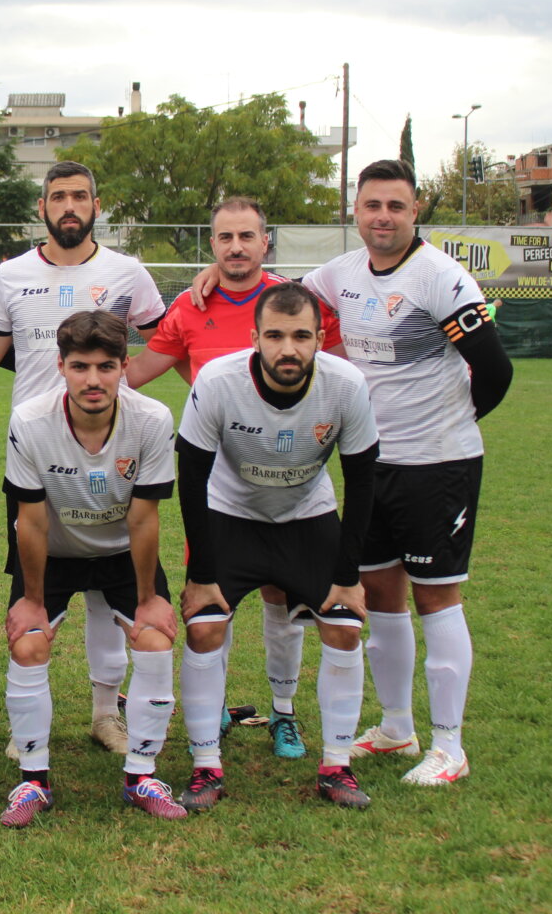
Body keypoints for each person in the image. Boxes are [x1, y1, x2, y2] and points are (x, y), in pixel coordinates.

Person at [190, 159, 513, 785]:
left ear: (415, 211)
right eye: (372, 205)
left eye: (396, 206)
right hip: (370, 465)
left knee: (436, 596)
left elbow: (495, 370)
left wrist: (449, 423)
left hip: (435, 463)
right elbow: (280, 296)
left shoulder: (442, 278)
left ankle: (449, 746)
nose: (383, 217)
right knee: (381, 596)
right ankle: (396, 727)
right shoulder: (340, 273)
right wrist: (216, 273)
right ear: (356, 212)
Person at [129, 196, 343, 760]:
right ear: (212, 244)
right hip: (219, 486)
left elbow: (341, 367)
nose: (236, 247)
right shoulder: (189, 305)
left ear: (265, 242)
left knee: (282, 598)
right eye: (225, 237)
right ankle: (216, 707)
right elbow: (141, 369)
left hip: (291, 481)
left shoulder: (294, 303)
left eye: (247, 236)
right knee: (211, 602)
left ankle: (284, 713)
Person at [0, 161, 167, 756]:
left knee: (110, 592)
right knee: (38, 583)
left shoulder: (127, 272)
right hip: (37, 451)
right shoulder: (11, 275)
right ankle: (29, 725)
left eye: (80, 196)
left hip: (110, 445)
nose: (70, 206)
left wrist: (122, 394)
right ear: (43, 208)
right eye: (58, 197)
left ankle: (107, 716)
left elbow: (167, 339)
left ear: (96, 206)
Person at [176, 282, 379, 812]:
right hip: (231, 514)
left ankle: (337, 766)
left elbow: (363, 481)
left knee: (343, 626)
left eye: (301, 336)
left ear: (320, 339)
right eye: (275, 336)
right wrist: (201, 574)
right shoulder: (218, 381)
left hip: (306, 516)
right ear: (255, 338)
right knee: (204, 626)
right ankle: (206, 766)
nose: (288, 349)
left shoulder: (346, 385)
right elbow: (191, 476)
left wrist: (348, 577)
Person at [0, 310, 184, 827]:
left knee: (154, 638)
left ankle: (142, 776)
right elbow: (31, 521)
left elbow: (144, 518)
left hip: (122, 551)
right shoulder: (30, 420)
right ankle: (33, 780)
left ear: (125, 366)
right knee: (28, 642)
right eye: (80, 366)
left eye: (106, 366)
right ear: (61, 366)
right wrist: (31, 600)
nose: (93, 380)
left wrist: (148, 599)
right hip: (53, 552)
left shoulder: (152, 419)